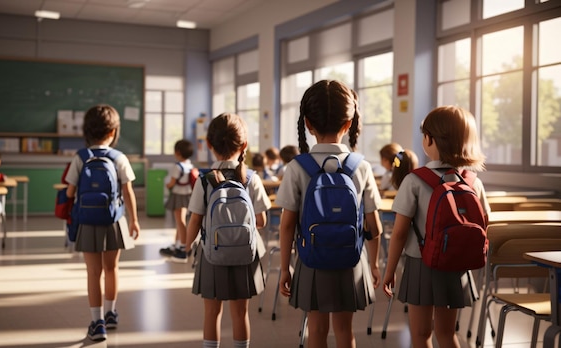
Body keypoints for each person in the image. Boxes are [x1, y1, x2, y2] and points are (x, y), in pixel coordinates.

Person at [276, 80, 382, 348]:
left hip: (312, 260)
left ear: (308, 124)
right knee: (345, 331)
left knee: (317, 330)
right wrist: (375, 263)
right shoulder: (362, 167)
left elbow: (287, 225)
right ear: (348, 124)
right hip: (352, 259)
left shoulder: (297, 167)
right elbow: (374, 224)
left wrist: (284, 267)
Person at [382, 106, 491, 348]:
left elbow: (399, 232)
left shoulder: (414, 180)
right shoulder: (473, 182)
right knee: (447, 333)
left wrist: (390, 271)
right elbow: (484, 223)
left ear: (429, 139)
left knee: (421, 334)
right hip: (456, 265)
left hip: (421, 263)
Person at [185, 113, 271, 348]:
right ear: (244, 145)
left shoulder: (205, 180)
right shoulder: (251, 178)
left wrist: (186, 245)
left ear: (210, 145)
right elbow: (261, 220)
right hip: (245, 254)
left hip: (212, 253)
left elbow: (195, 220)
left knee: (212, 313)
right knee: (241, 313)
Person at [64, 104, 140, 342]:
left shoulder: (80, 157)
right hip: (113, 221)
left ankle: (97, 323)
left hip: (87, 221)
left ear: (86, 130)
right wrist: (134, 220)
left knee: (93, 272)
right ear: (114, 131)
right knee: (111, 269)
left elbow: (69, 193)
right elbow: (128, 193)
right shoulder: (119, 158)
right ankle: (111, 314)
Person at [160, 139, 195, 263]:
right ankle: (177, 244)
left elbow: (172, 183)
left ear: (178, 152)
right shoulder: (190, 165)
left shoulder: (177, 166)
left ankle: (183, 248)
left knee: (180, 221)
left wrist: (167, 185)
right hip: (187, 195)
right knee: (180, 221)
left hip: (178, 195)